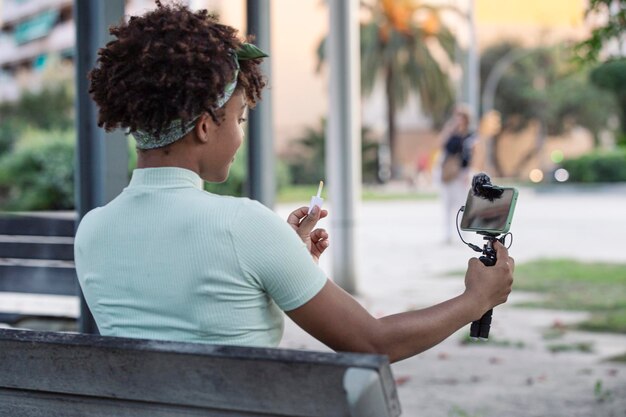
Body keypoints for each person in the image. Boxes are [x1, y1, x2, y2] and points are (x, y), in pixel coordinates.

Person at [75, 1, 514, 364]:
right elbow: (372, 342)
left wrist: (284, 257)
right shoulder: (244, 225)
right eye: (239, 117)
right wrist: (475, 299)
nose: (241, 134)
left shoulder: (92, 231)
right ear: (206, 126)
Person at [437, 105, 477, 244]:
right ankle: (447, 234)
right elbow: (440, 144)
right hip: (447, 172)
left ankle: (463, 234)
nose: (458, 119)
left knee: (461, 204)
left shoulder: (470, 135)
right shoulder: (451, 133)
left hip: (461, 172)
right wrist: (450, 128)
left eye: (461, 116)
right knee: (447, 204)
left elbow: (472, 155)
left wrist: (468, 173)